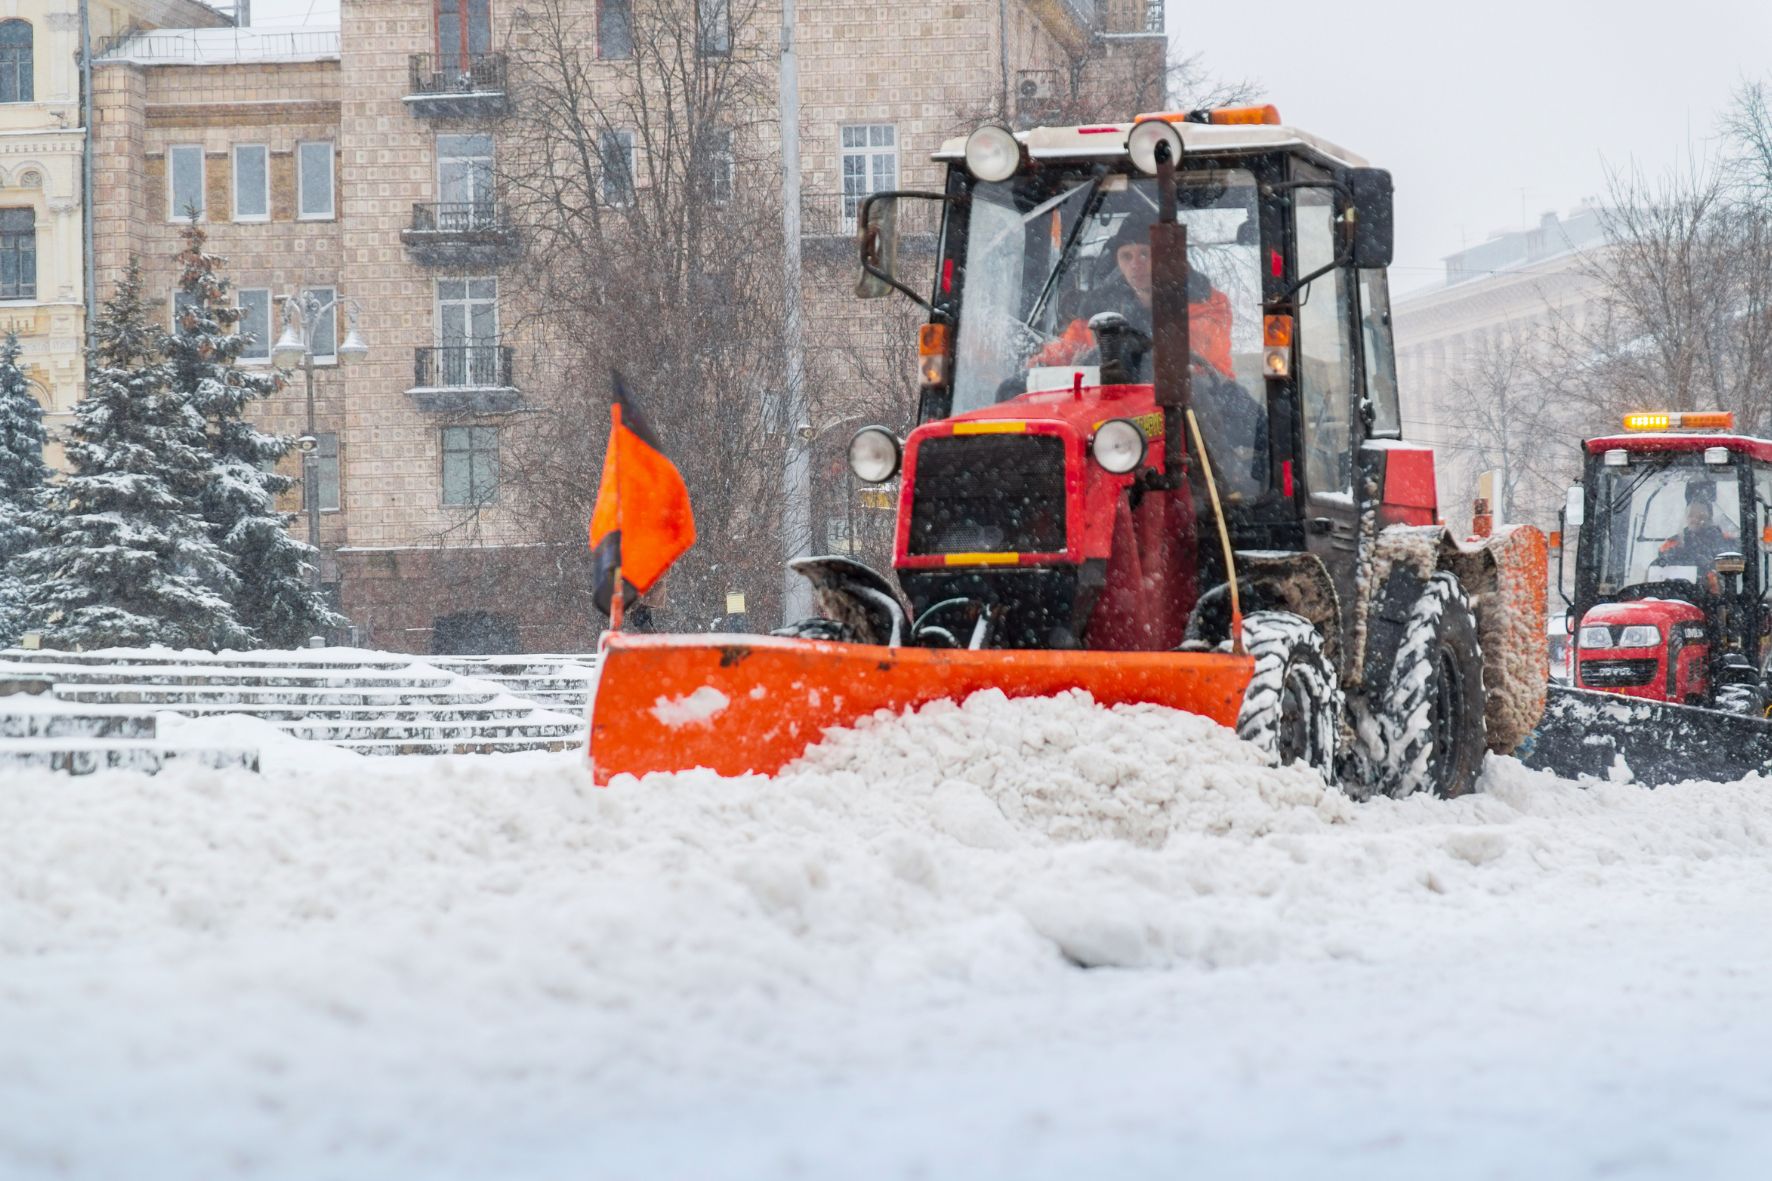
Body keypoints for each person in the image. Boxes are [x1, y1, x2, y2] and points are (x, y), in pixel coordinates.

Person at [1028, 210, 1236, 379]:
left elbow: (1194, 349)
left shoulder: (1206, 302)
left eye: (1145, 254)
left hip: (1201, 398)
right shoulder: (1102, 309)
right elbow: (1070, 346)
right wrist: (1041, 365)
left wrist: (1123, 351)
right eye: (1126, 256)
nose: (1135, 265)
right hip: (1125, 405)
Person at [1659, 496, 1733, 575]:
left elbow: (1730, 573)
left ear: (1709, 518)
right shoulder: (1674, 543)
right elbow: (1658, 567)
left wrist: (1706, 567)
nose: (1695, 519)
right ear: (1686, 517)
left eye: (1701, 516)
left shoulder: (1725, 542)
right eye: (1691, 515)